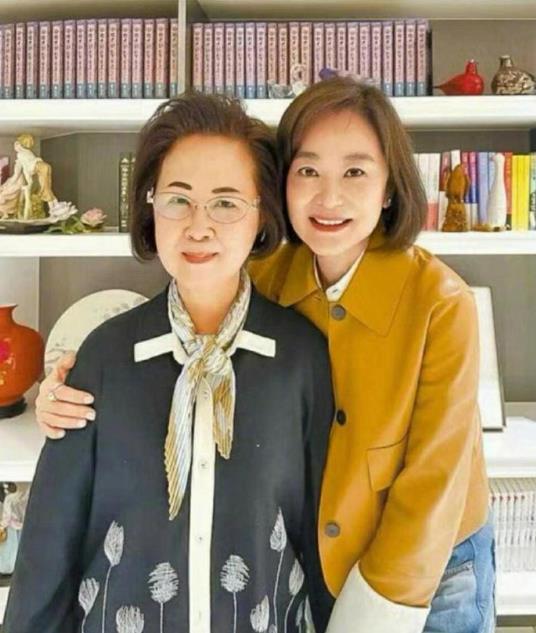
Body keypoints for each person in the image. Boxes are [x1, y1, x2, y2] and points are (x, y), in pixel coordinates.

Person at [35, 78, 495, 633]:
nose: (329, 198)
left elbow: (434, 485)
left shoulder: (440, 303)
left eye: (355, 172)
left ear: (390, 188)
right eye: (308, 171)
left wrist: (372, 616)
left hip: (431, 560)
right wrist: (72, 384)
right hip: (329, 550)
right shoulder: (271, 274)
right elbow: (189, 301)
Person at [4, 93, 334, 633]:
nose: (199, 226)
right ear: (150, 207)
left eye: (226, 203)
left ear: (262, 216)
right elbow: (49, 544)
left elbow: (323, 540)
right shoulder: (105, 356)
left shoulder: (302, 358)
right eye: (178, 199)